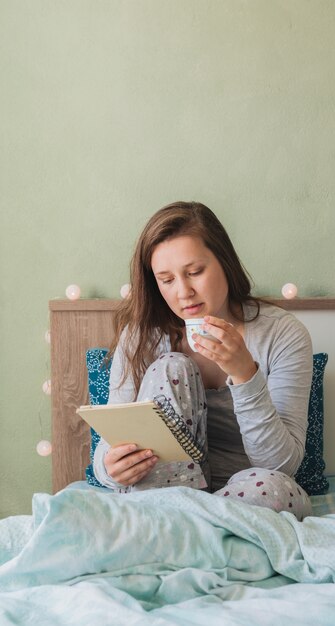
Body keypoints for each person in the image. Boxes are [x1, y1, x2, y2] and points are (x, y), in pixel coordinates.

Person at [93, 201, 313, 520]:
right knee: (172, 367)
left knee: (274, 487)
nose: (184, 292)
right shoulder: (139, 336)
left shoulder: (283, 334)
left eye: (195, 272)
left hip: (247, 493)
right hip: (164, 489)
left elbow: (281, 466)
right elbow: (107, 449)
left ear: (224, 263)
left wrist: (244, 374)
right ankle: (198, 528)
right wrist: (111, 467)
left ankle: (176, 527)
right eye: (166, 280)